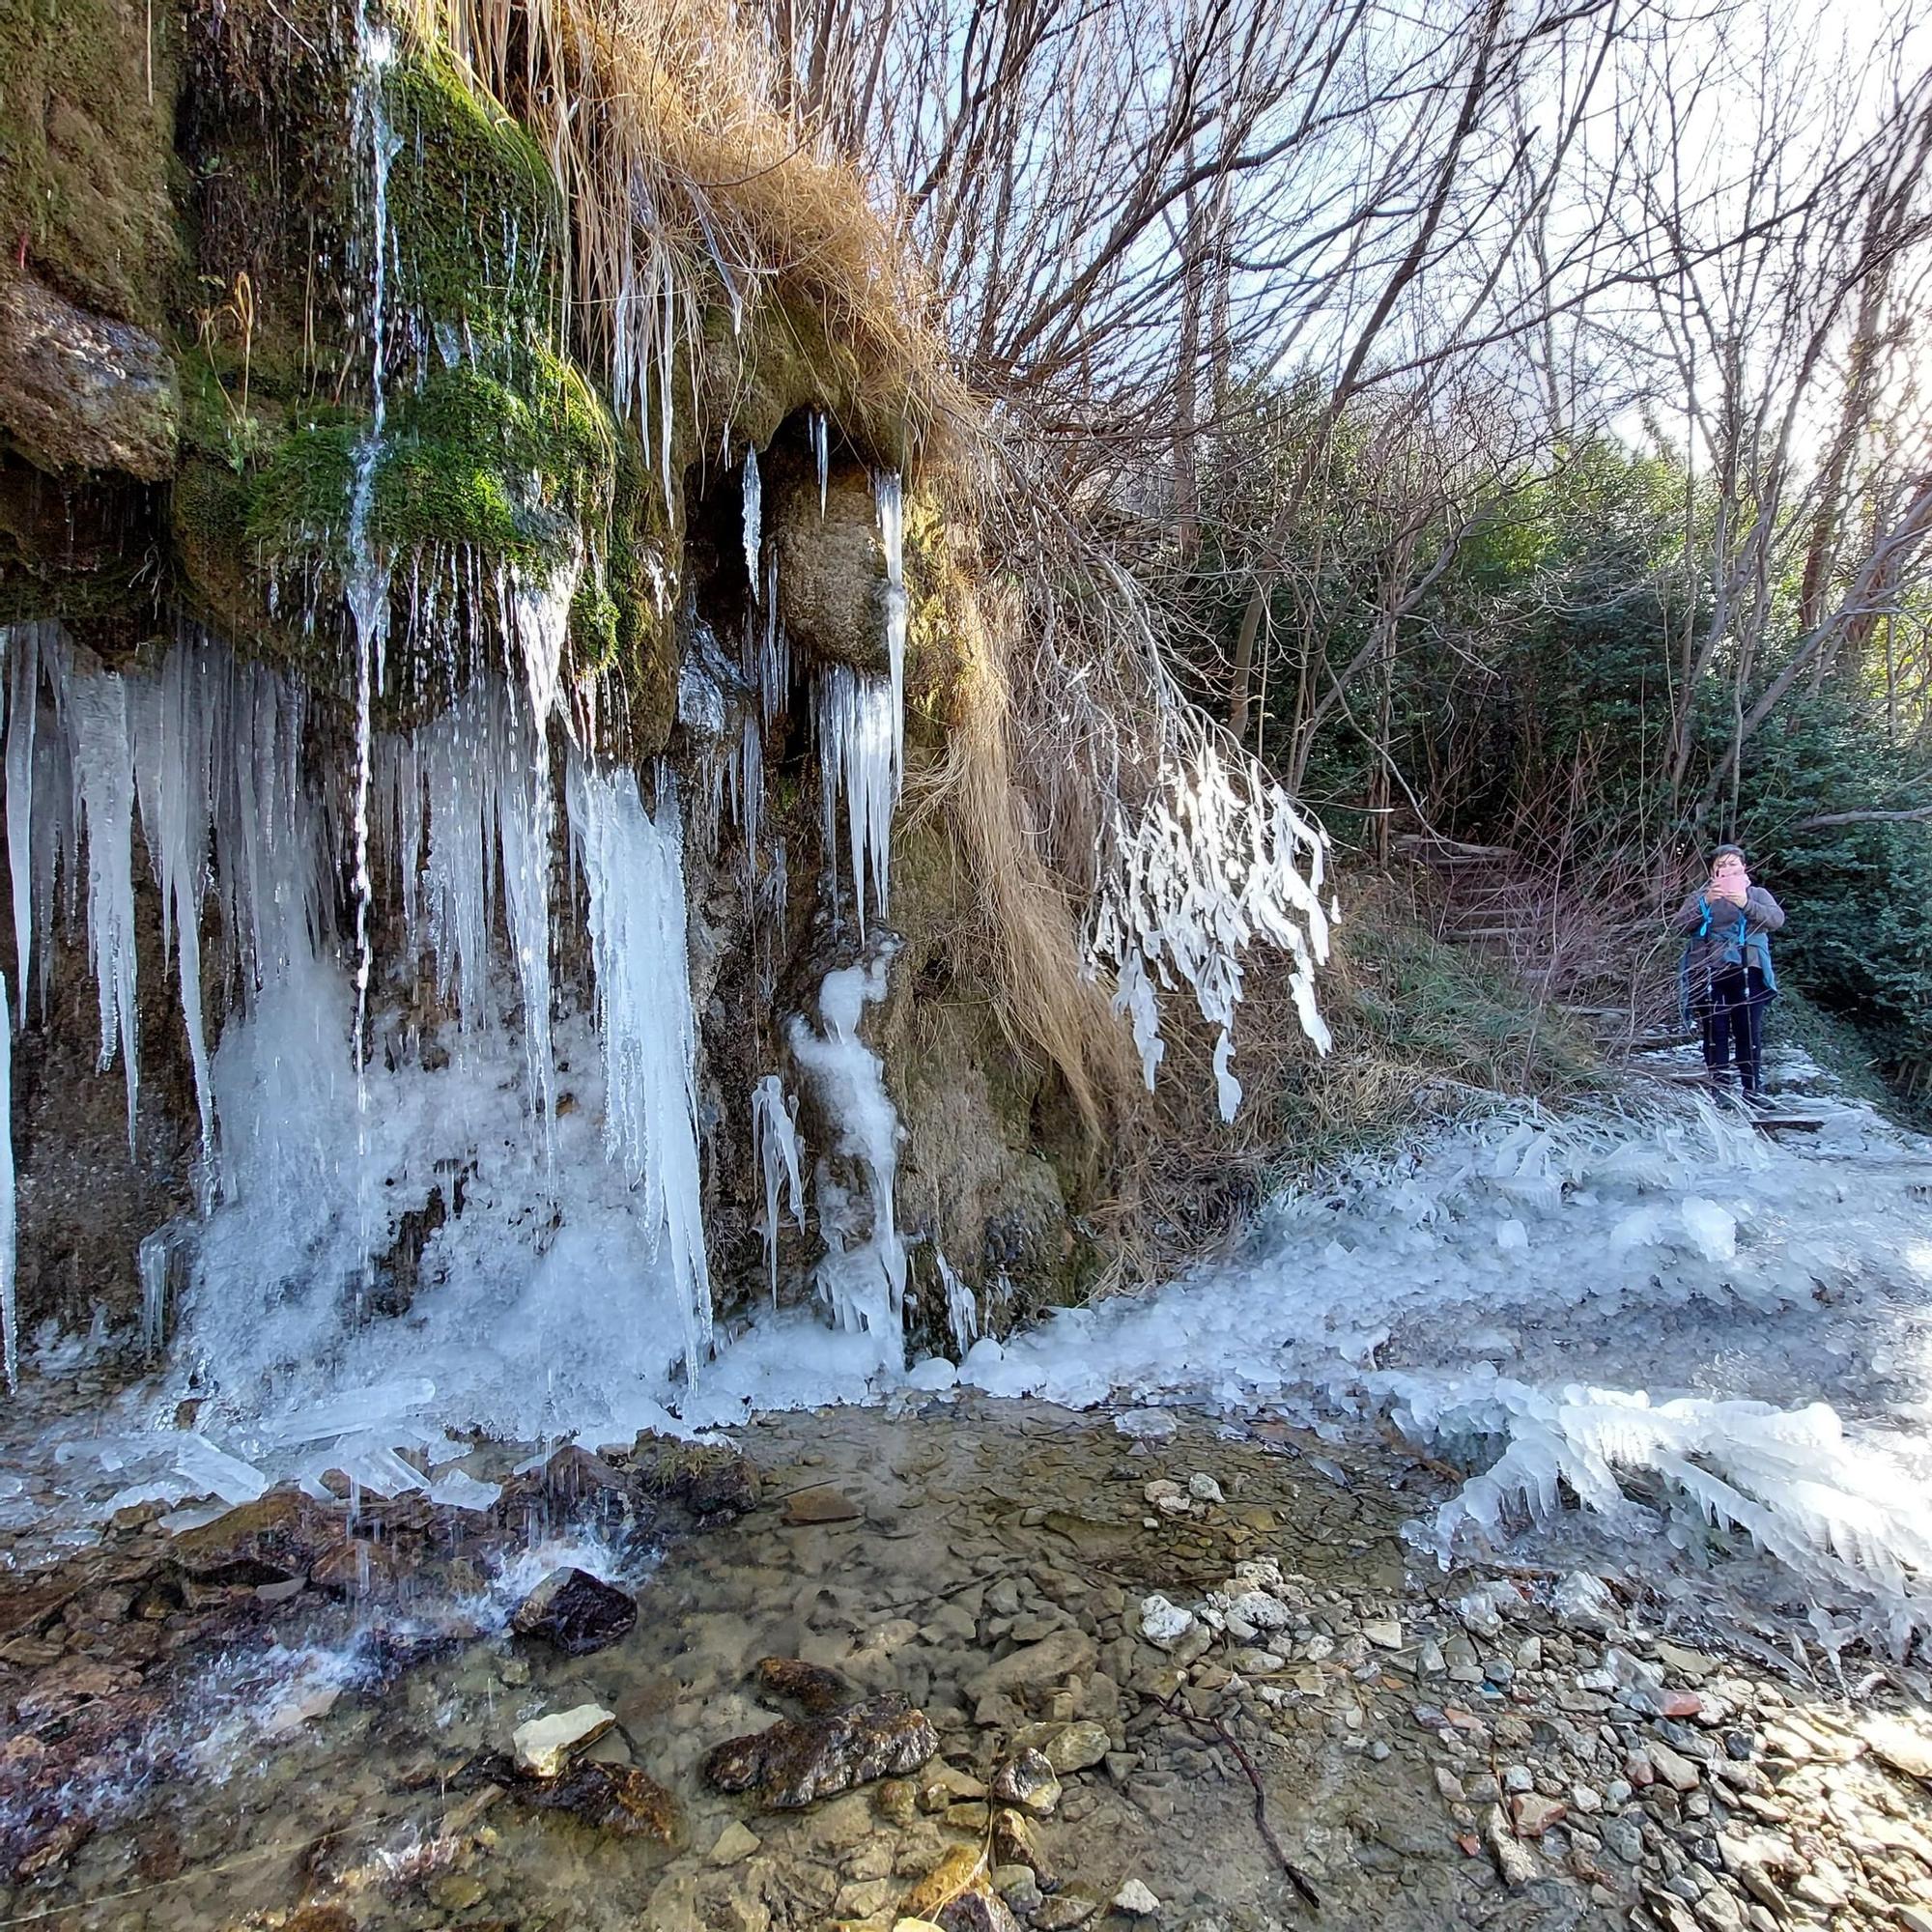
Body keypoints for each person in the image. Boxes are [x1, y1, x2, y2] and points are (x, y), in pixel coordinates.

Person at [1672, 845, 1785, 1105]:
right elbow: (1679, 926)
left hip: (1749, 968)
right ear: (1713, 871)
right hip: (1707, 969)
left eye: (1733, 864)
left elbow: (1776, 920)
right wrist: (1706, 903)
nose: (1728, 869)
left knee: (1748, 1028)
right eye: (1721, 866)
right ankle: (1719, 1087)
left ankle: (1753, 1089)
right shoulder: (1702, 895)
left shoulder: (1757, 894)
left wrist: (1745, 903)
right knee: (1715, 1029)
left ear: (1744, 867)